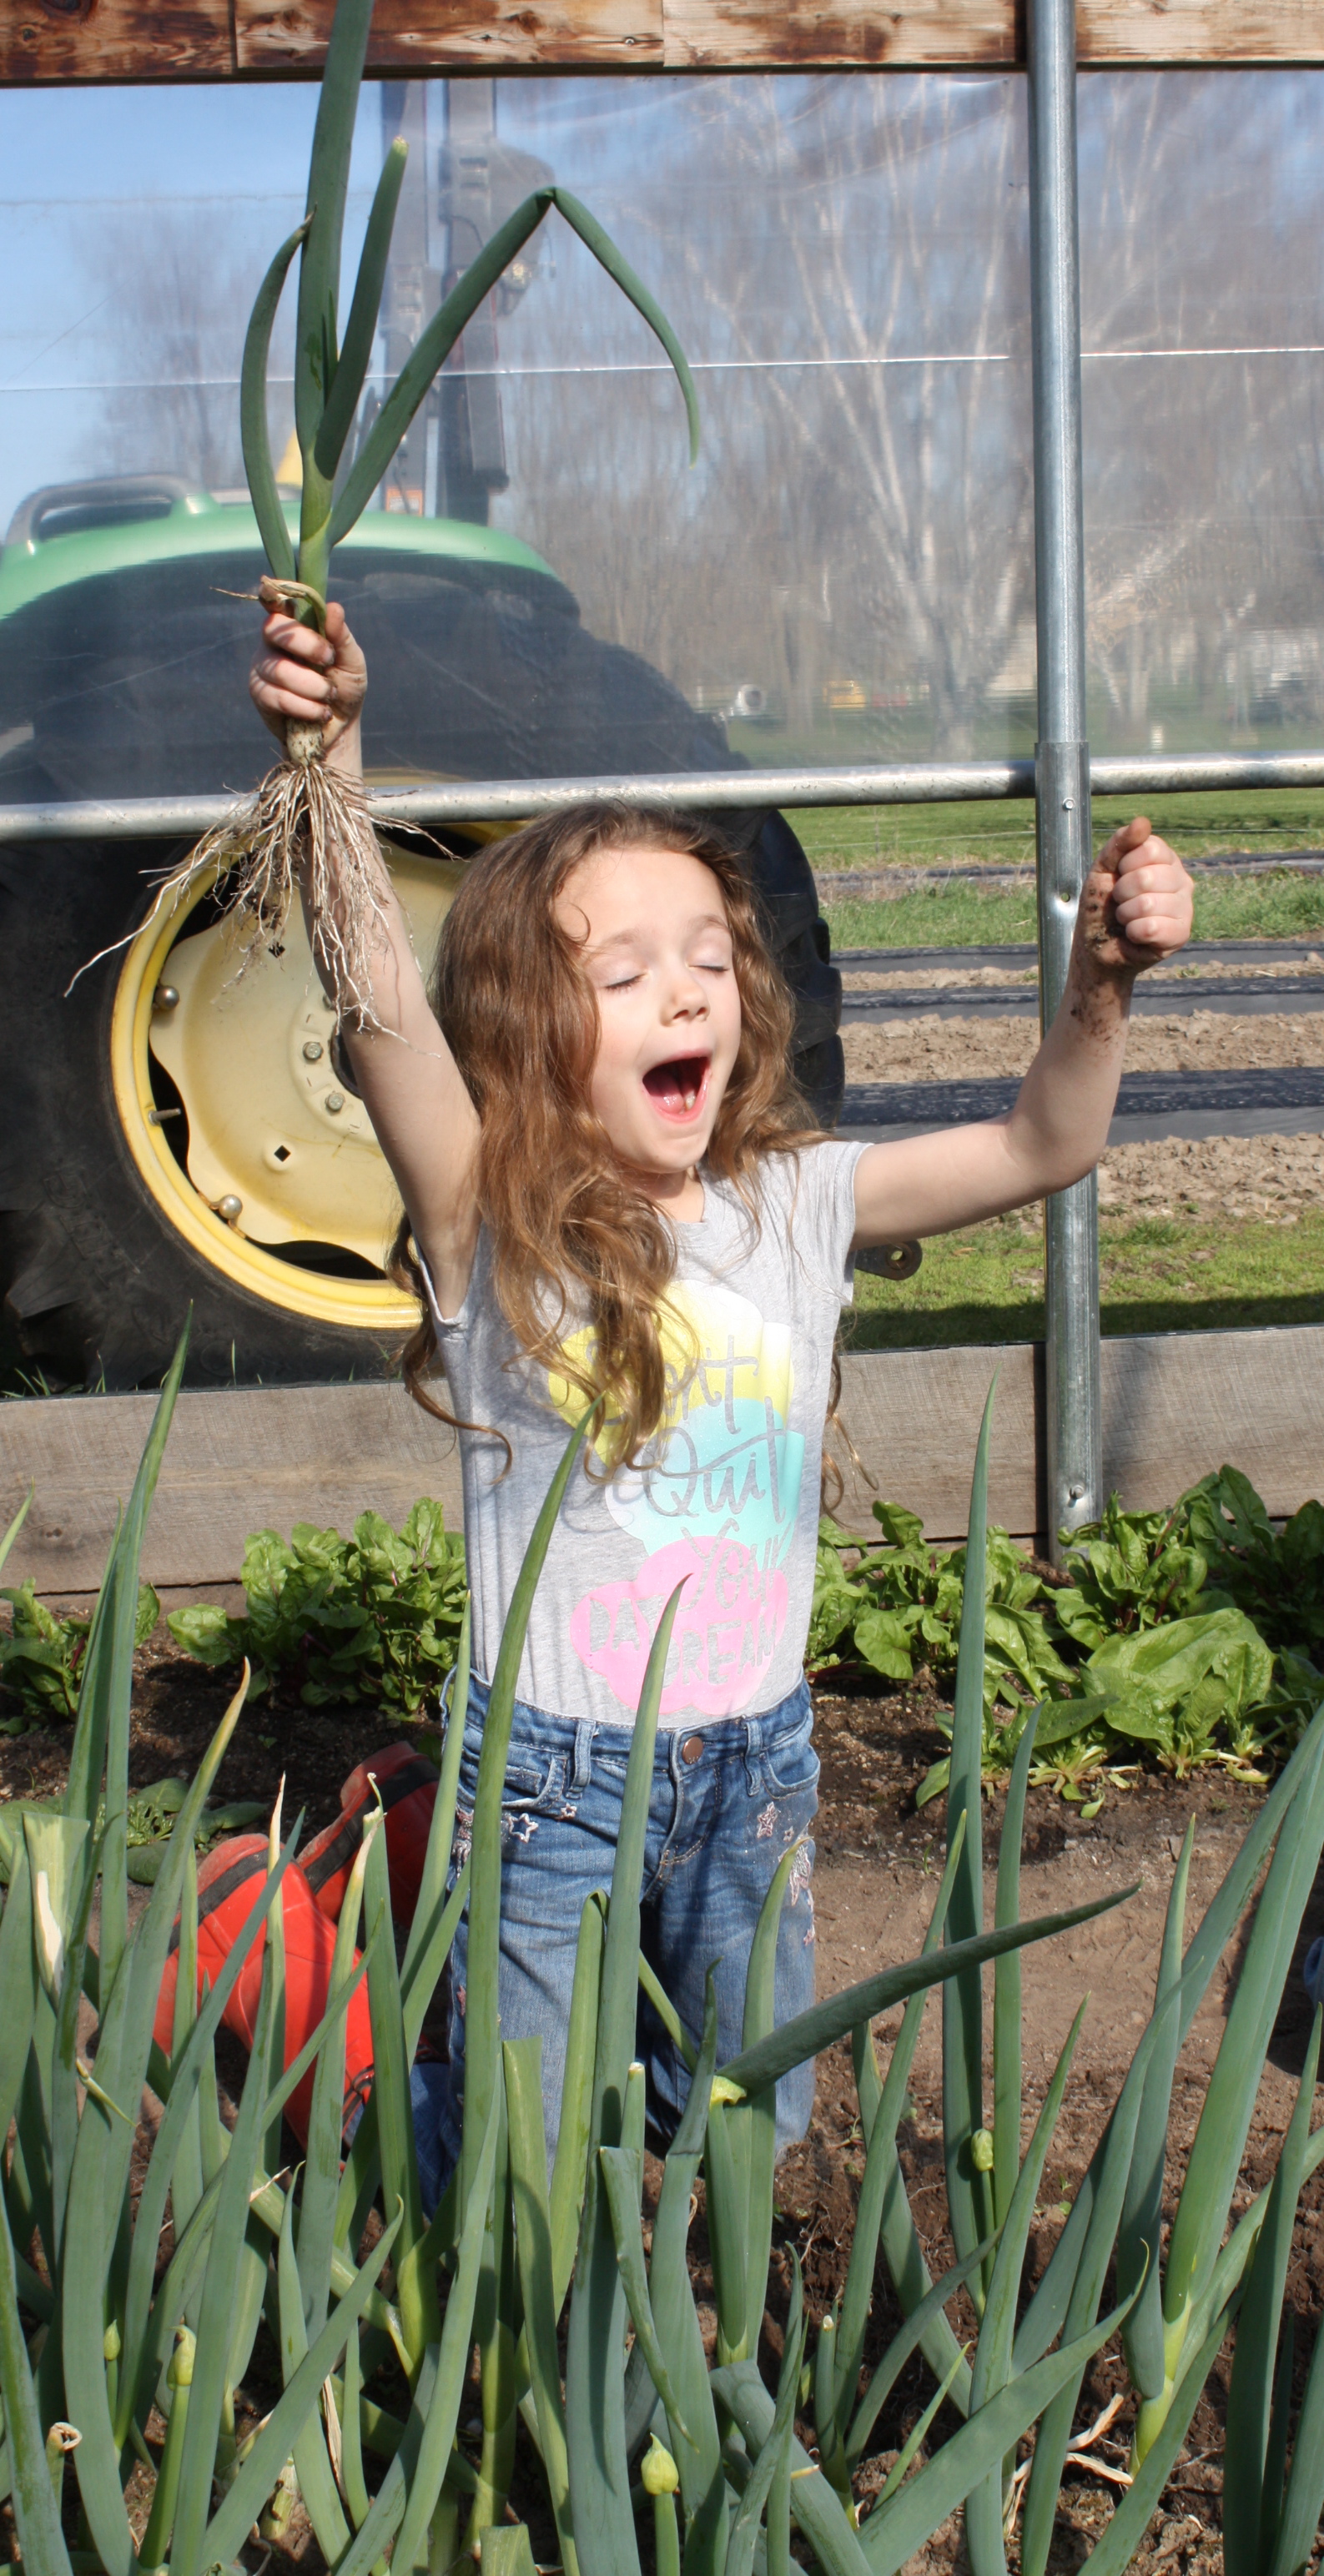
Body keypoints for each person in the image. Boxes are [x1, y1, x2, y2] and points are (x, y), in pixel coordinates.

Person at [224, 595, 1194, 2195]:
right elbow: (382, 1004)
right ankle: (370, 2112)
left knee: (752, 2127)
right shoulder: (490, 1217)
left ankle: (673, 2315)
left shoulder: (796, 1203)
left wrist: (1103, 981)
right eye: (623, 974)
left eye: (707, 959)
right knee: (527, 2156)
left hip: (753, 1767)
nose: (687, 996)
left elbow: (1046, 1143)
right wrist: (331, 760)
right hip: (549, 1782)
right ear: (527, 1027)